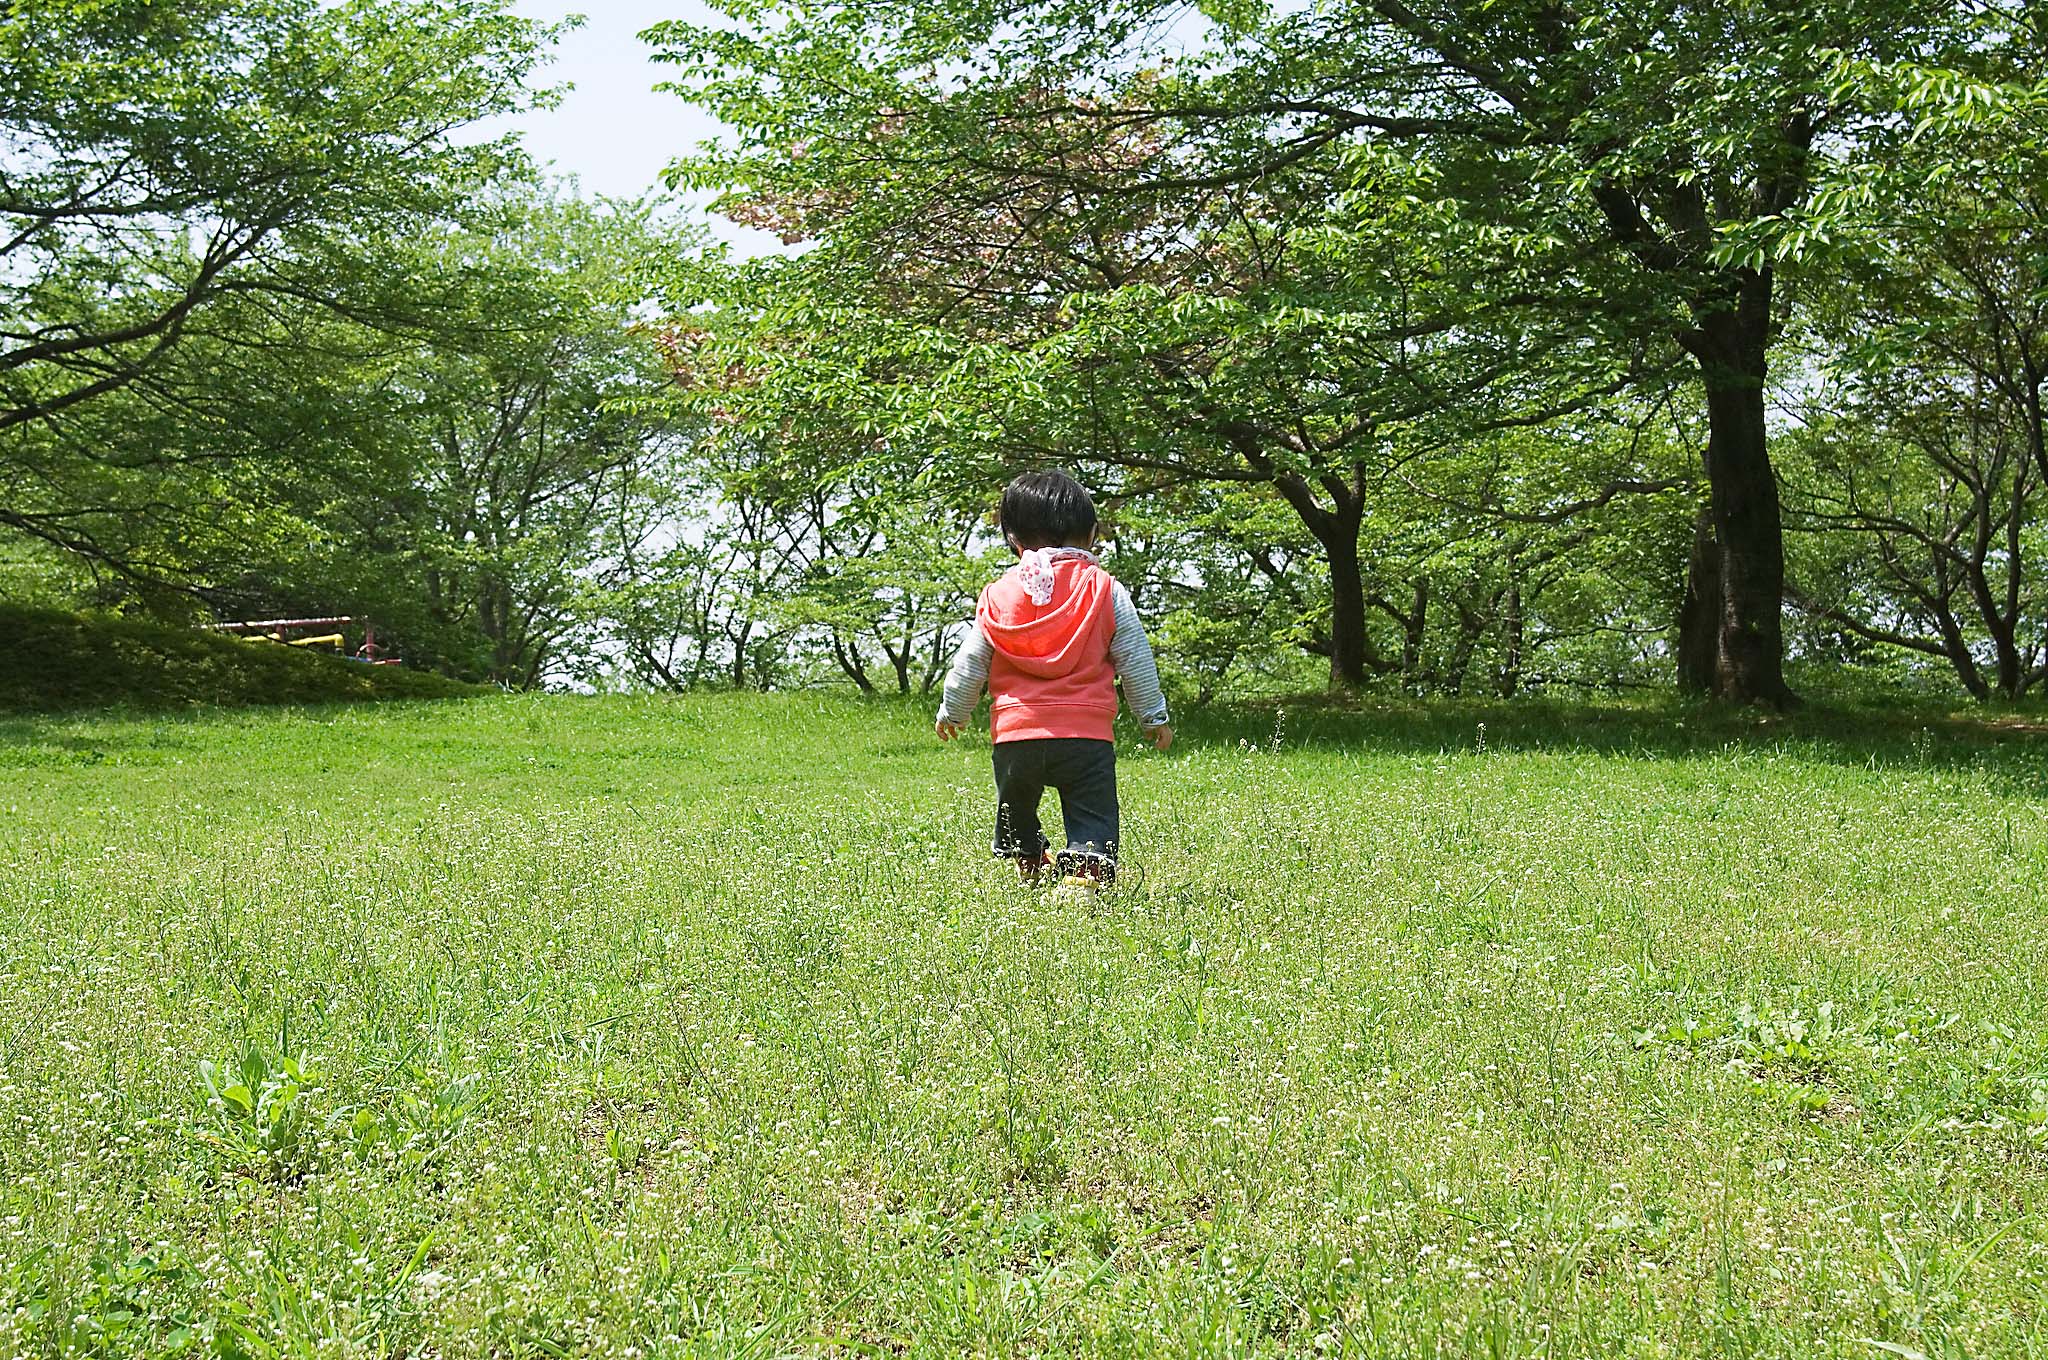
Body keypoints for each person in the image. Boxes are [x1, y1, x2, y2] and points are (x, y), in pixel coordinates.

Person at [935, 470, 1172, 888]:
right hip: (1085, 736)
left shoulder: (999, 593)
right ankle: (1086, 874)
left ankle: (1030, 864)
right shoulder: (1104, 589)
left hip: (1016, 736)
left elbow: (971, 660)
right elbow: (1135, 657)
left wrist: (954, 710)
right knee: (1091, 812)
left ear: (1014, 540)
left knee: (1017, 806)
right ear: (1092, 534)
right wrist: (1153, 717)